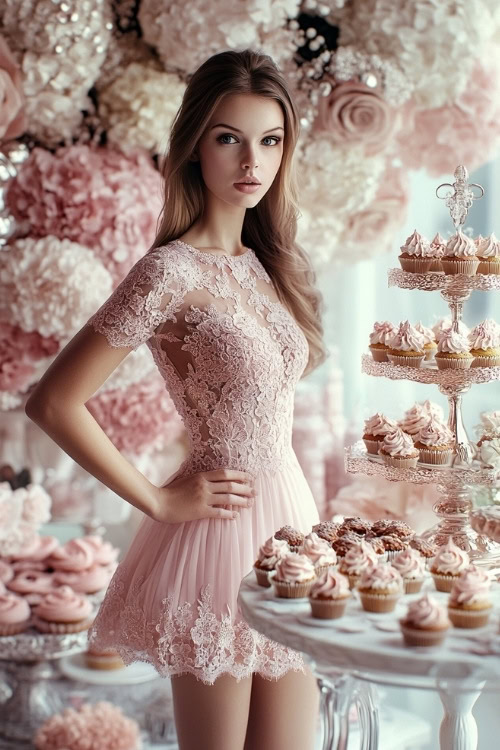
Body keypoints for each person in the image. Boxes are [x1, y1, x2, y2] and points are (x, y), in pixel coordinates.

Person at [25, 48, 327, 750]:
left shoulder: (267, 262)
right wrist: (159, 500)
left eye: (270, 140)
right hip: (218, 534)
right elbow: (53, 401)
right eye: (229, 138)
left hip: (291, 524)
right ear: (195, 147)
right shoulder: (167, 272)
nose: (252, 160)